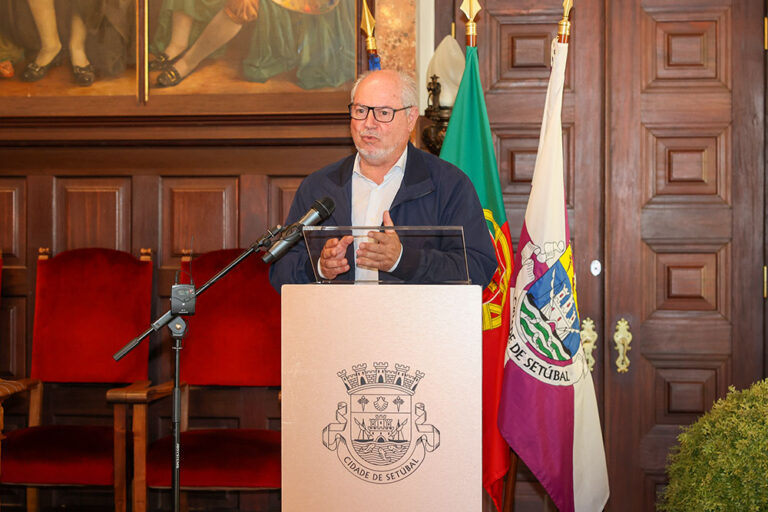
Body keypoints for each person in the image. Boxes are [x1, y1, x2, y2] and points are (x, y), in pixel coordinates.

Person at [269, 69, 498, 291]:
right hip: (339, 325)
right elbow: (280, 270)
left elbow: (478, 268)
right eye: (360, 110)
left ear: (410, 119)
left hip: (415, 327)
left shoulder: (449, 184)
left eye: (384, 113)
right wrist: (318, 267)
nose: (368, 123)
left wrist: (403, 260)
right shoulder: (319, 187)